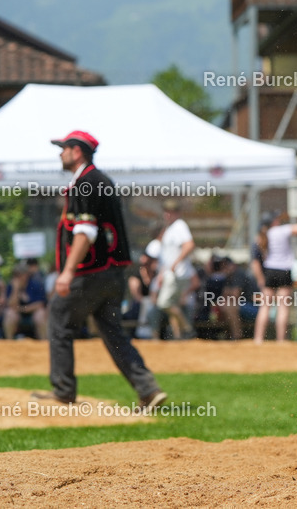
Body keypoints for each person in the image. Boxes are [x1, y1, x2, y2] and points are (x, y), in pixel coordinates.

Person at [32, 130, 165, 409]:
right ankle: (148, 389)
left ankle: (64, 392)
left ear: (77, 151)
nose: (60, 153)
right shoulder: (101, 180)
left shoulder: (85, 182)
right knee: (111, 330)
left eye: (64, 148)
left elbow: (85, 231)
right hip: (113, 273)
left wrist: (67, 272)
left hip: (89, 272)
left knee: (58, 319)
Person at [254, 191, 297, 343]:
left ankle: (258, 339)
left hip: (270, 270)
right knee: (283, 306)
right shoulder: (281, 230)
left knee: (265, 305)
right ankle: (281, 340)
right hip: (284, 270)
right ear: (273, 221)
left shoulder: (262, 235)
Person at [155, 199, 196, 340]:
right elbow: (166, 256)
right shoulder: (170, 228)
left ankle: (188, 329)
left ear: (177, 213)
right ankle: (179, 337)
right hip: (171, 273)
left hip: (177, 273)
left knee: (164, 303)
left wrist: (176, 263)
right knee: (173, 305)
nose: (167, 214)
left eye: (170, 211)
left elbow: (189, 245)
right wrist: (162, 273)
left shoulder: (179, 225)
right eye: (166, 211)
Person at [3, 266, 47, 339]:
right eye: (15, 275)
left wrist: (22, 309)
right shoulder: (11, 286)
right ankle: (9, 341)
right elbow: (10, 305)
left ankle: (44, 341)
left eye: (20, 275)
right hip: (18, 313)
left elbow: (39, 304)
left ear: (26, 275)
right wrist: (15, 290)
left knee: (41, 314)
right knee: (9, 314)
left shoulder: (36, 285)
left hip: (33, 312)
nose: (18, 277)